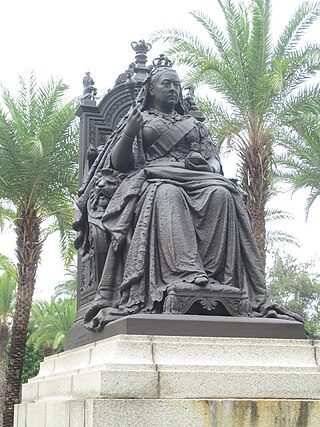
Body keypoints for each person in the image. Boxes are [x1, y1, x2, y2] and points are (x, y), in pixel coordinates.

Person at [74, 60, 302, 331]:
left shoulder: (193, 124)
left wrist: (207, 166)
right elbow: (120, 164)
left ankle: (219, 280)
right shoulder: (138, 118)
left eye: (177, 85)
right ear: (151, 90)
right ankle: (183, 275)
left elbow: (214, 161)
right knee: (167, 194)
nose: (173, 89)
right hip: (154, 177)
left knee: (222, 195)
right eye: (166, 84)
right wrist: (129, 134)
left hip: (198, 178)